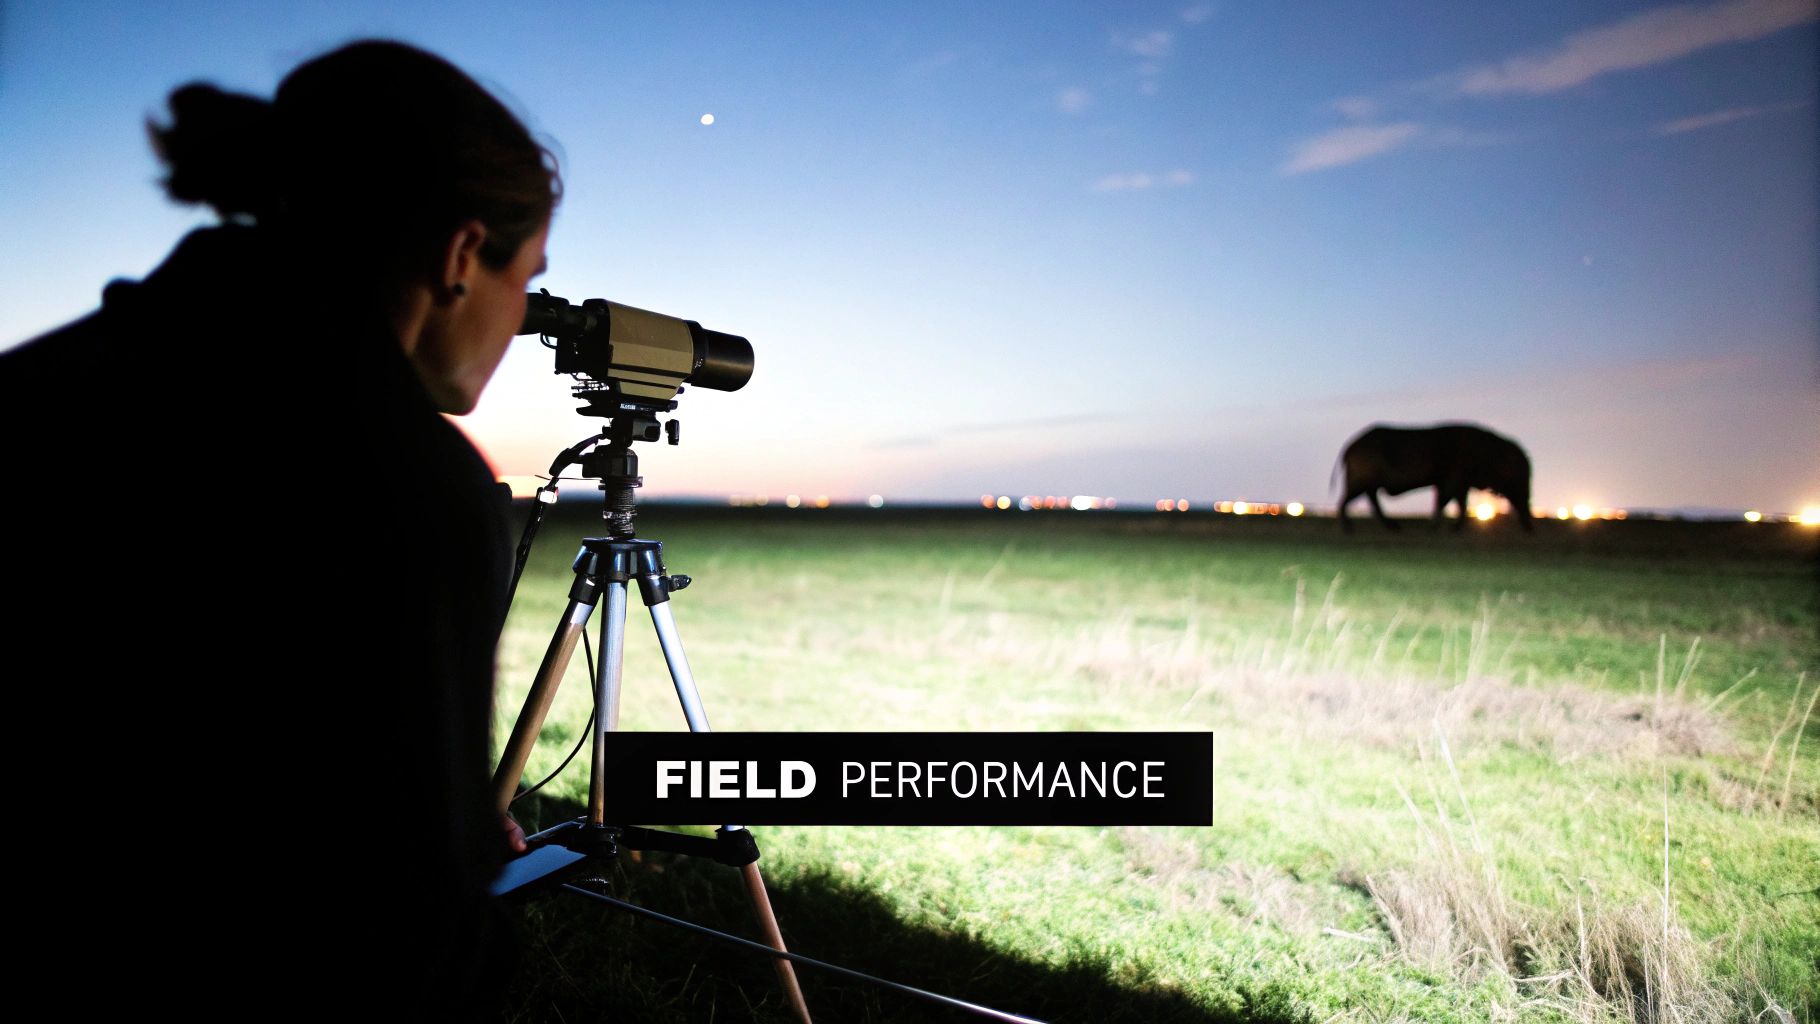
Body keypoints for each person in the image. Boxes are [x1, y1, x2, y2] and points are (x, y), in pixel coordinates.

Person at [0, 40, 558, 1017]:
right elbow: (405, 931)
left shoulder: (43, 386)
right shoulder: (409, 484)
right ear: (461, 253)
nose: (521, 320)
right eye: (530, 276)